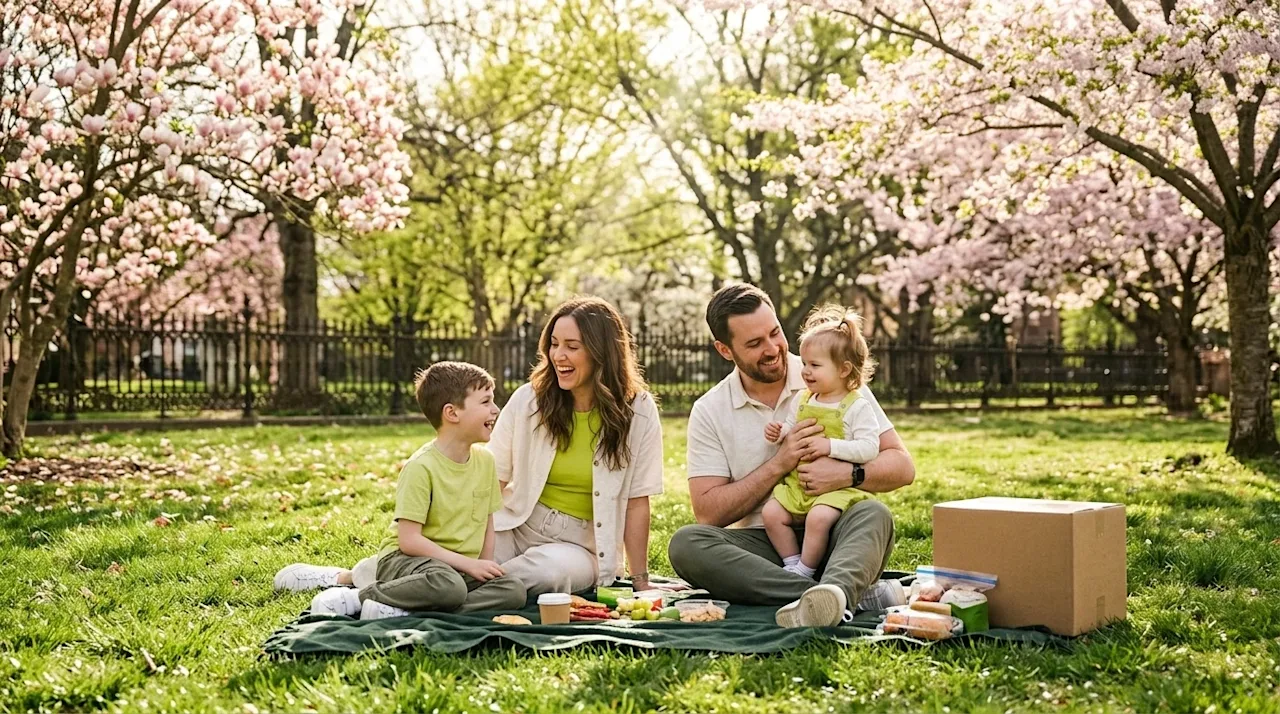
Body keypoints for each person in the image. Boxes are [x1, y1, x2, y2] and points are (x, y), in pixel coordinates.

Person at [275, 296, 663, 598]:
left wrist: (641, 580)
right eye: (554, 344)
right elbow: (491, 473)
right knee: (455, 554)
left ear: (601, 351)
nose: (558, 356)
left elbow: (637, 501)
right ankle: (350, 578)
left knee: (548, 574)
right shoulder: (532, 399)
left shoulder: (638, 412)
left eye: (572, 346)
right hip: (519, 520)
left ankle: (427, 593)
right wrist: (462, 537)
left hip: (580, 543)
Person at [666, 284, 916, 628]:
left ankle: (829, 593)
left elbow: (902, 467)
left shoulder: (830, 373)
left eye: (774, 333)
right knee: (686, 544)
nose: (772, 350)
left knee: (874, 512)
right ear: (725, 350)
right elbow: (708, 513)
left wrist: (848, 475)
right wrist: (781, 463)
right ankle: (834, 595)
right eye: (754, 344)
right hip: (767, 551)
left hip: (837, 532)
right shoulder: (711, 410)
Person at [306, 361, 527, 619]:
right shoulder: (421, 467)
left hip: (455, 570)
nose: (495, 409)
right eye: (486, 402)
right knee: (448, 586)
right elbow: (409, 541)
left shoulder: (485, 461)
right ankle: (358, 597)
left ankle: (410, 611)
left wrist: (484, 565)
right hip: (406, 561)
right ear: (452, 413)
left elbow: (487, 520)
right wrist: (467, 564)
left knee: (513, 590)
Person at [762, 304, 880, 581]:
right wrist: (780, 432)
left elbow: (869, 447)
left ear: (843, 370)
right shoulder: (803, 399)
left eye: (815, 365)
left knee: (818, 519)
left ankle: (807, 570)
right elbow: (792, 428)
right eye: (804, 364)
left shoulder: (856, 406)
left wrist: (830, 447)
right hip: (798, 486)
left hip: (834, 491)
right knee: (771, 513)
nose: (805, 371)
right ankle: (792, 564)